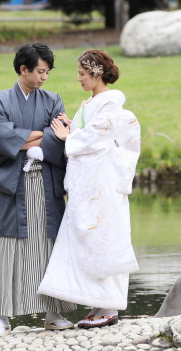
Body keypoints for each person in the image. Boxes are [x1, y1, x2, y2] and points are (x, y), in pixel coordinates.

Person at [37, 49, 141, 329]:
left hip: (102, 184)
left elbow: (95, 139)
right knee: (85, 239)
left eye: (83, 74)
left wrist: (69, 136)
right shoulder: (92, 104)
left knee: (105, 237)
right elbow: (88, 134)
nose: (79, 80)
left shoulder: (110, 107)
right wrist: (73, 130)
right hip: (87, 184)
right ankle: (97, 303)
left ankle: (109, 306)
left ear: (96, 74)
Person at [0, 42, 76, 335]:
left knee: (50, 247)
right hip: (13, 185)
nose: (44, 77)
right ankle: (2, 318)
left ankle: (53, 312)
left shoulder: (53, 100)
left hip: (46, 182)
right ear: (24, 69)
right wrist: (42, 135)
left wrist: (23, 139)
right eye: (40, 71)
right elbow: (0, 140)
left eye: (47, 71)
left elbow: (60, 136)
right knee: (9, 248)